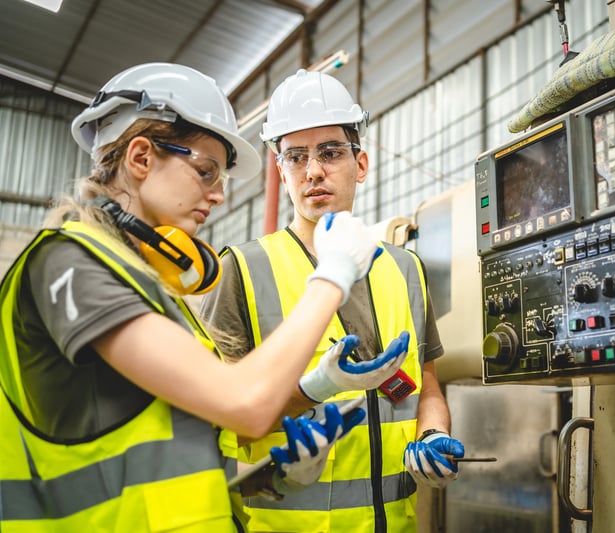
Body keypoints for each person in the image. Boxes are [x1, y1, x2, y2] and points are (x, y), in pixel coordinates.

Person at [0, 63, 383, 532]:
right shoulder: (69, 265)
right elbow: (245, 400)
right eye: (206, 172)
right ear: (141, 158)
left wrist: (284, 461)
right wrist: (333, 276)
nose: (218, 195)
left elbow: (197, 440)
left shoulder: (146, 285)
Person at [200, 68, 466, 533]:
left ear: (360, 164)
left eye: (329, 152)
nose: (314, 170)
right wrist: (307, 395)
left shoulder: (407, 268)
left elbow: (427, 385)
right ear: (281, 171)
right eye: (296, 157)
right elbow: (222, 421)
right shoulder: (241, 272)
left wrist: (433, 434)